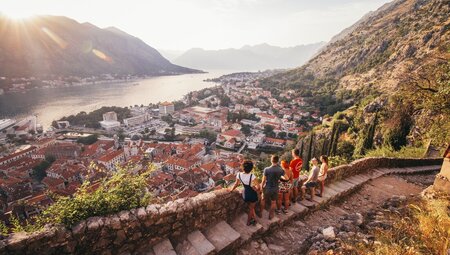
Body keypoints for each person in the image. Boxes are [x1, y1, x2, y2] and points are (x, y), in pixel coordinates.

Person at [229, 160, 260, 226]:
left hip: (245, 194)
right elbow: (258, 187)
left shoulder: (239, 174)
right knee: (251, 208)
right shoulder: (252, 176)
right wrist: (255, 188)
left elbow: (236, 184)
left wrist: (231, 190)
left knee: (251, 207)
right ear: (251, 168)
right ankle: (248, 222)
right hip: (252, 194)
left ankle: (254, 219)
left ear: (243, 168)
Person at [261, 155, 284, 220]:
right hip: (276, 188)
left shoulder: (267, 169)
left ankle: (261, 213)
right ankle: (271, 215)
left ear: (271, 160)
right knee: (273, 202)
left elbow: (263, 180)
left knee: (263, 200)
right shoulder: (280, 170)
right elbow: (286, 178)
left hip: (267, 188)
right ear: (277, 161)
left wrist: (262, 188)